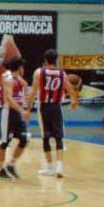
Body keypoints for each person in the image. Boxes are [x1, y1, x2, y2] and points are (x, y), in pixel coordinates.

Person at [26, 49, 78, 178]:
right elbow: (70, 89)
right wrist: (74, 101)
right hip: (56, 107)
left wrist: (28, 108)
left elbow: (33, 92)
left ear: (45, 60)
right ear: (56, 60)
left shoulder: (39, 72)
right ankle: (60, 166)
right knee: (59, 137)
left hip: (44, 107)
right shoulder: (62, 74)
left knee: (45, 137)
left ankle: (50, 168)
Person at [0, 59, 30, 179]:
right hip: (8, 113)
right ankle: (1, 168)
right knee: (5, 143)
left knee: (24, 139)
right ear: (20, 68)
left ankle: (11, 164)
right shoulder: (8, 78)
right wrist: (23, 110)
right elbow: (9, 99)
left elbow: (25, 84)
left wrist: (25, 93)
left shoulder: (16, 78)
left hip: (16, 113)